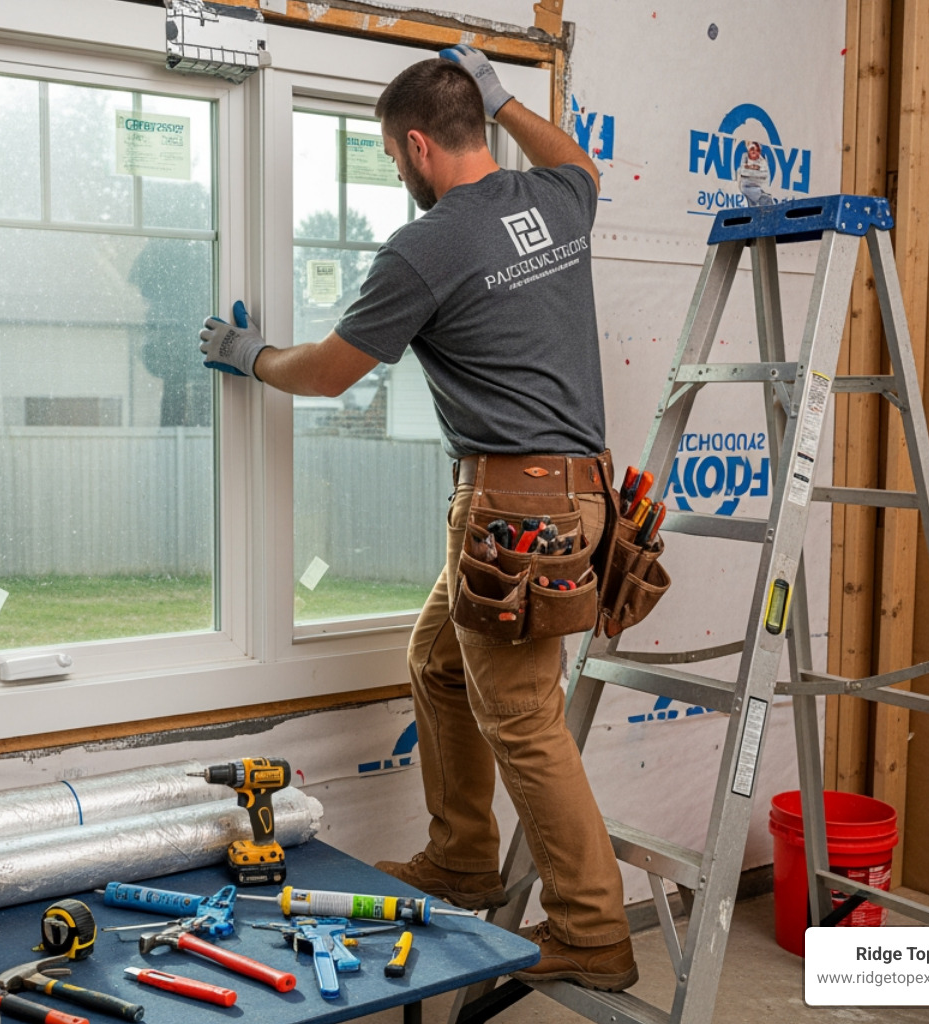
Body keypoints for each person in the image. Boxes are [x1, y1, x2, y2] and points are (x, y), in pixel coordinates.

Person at [198, 46, 636, 992]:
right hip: (576, 496)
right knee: (438, 662)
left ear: (417, 145)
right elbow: (582, 164)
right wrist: (510, 96)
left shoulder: (429, 242)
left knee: (521, 717)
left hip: (513, 508)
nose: (398, 176)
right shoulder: (552, 200)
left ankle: (595, 931)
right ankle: (464, 857)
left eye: (395, 161)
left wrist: (247, 352)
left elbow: (326, 374)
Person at [738, 139, 776, 207]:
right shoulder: (745, 157)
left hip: (758, 190)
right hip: (746, 188)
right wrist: (754, 168)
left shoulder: (763, 161)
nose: (754, 151)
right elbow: (742, 172)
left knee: (765, 200)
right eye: (752, 149)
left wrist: (750, 168)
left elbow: (764, 174)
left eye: (757, 150)